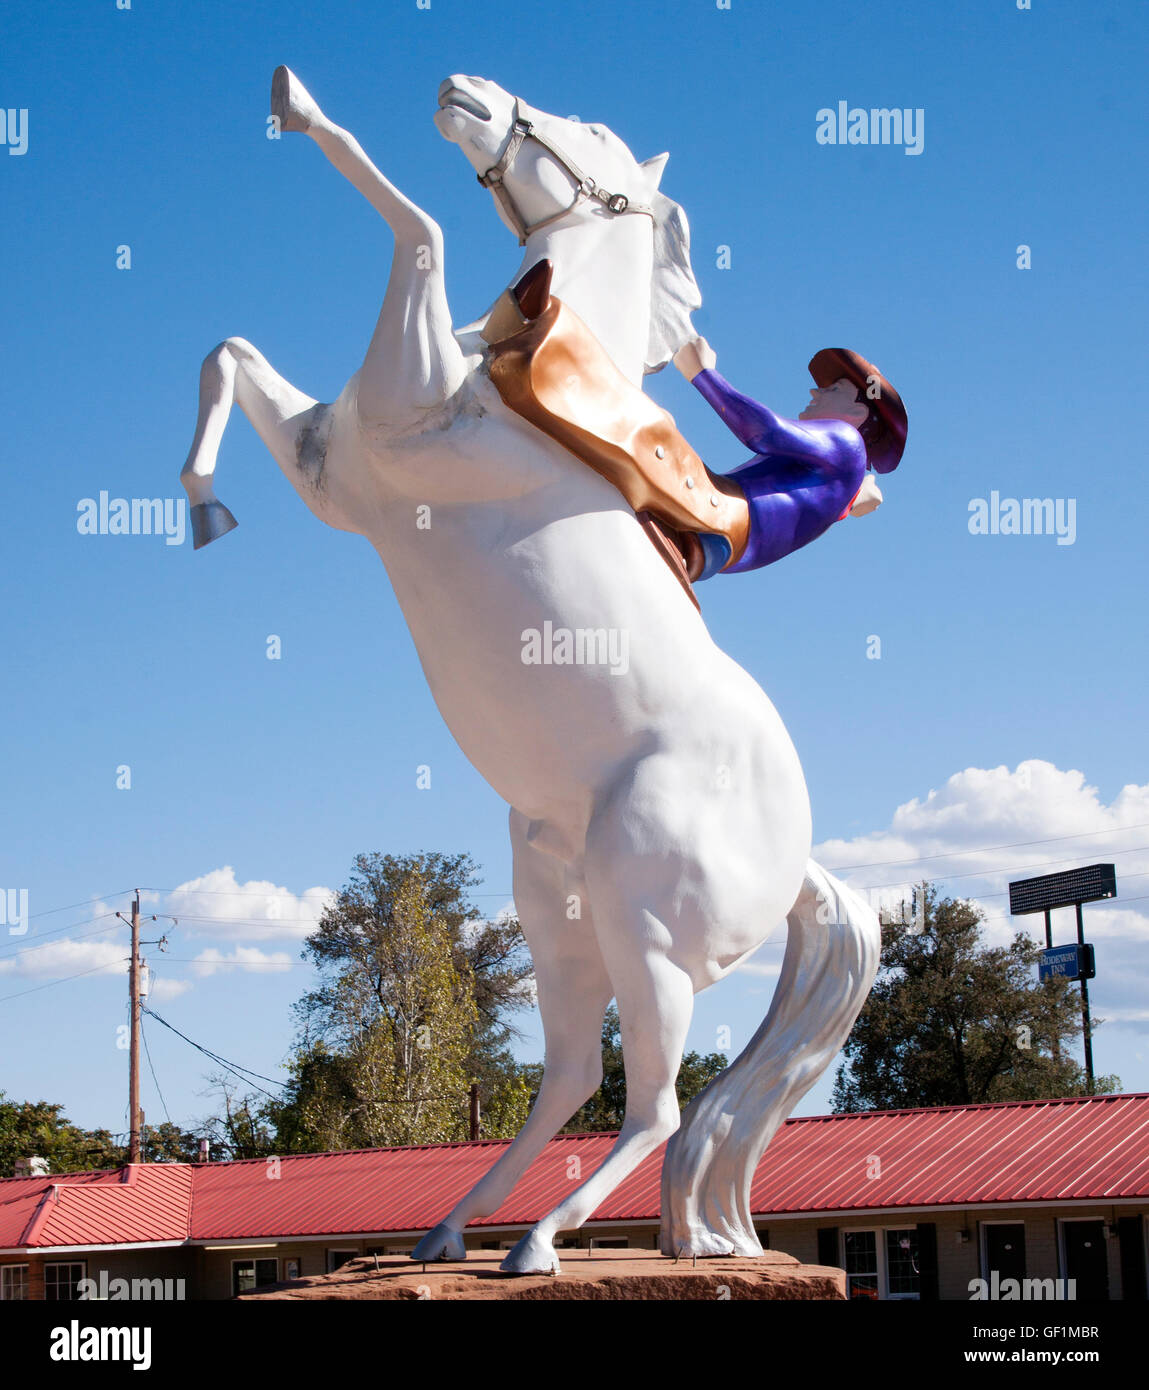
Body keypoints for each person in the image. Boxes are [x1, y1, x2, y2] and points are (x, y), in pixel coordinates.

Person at [671, 336, 908, 579]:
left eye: (835, 389)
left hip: (723, 513)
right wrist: (855, 498)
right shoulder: (838, 469)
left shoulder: (847, 440)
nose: (815, 392)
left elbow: (767, 432)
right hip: (728, 543)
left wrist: (702, 373)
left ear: (858, 412)